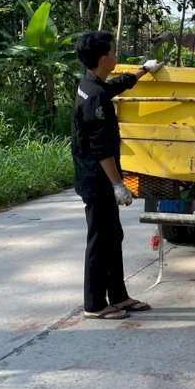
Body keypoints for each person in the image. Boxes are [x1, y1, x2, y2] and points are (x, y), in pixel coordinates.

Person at [72, 31, 162, 320]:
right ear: (102, 58)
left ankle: (119, 297)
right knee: (100, 239)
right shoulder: (95, 97)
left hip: (96, 177)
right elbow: (101, 149)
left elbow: (114, 86)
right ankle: (95, 305)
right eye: (113, 53)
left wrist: (144, 71)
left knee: (113, 235)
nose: (116, 56)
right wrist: (117, 184)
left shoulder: (91, 85)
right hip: (97, 180)